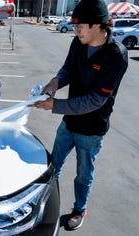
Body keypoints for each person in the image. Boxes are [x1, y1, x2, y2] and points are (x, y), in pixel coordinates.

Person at [29, 0, 128, 230]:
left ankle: (79, 209)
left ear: (98, 25)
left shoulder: (116, 55)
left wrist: (54, 105)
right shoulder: (78, 43)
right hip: (69, 122)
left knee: (83, 174)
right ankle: (43, 204)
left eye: (79, 26)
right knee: (53, 165)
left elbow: (95, 100)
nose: (75, 31)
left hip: (92, 129)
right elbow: (67, 71)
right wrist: (55, 81)